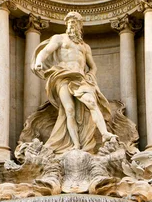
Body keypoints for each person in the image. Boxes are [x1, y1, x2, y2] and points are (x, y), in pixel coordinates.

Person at [32, 11, 117, 154]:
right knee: (69, 110)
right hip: (62, 76)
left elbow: (93, 66)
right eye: (70, 22)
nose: (72, 25)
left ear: (80, 26)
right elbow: (46, 51)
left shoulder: (85, 47)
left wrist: (91, 74)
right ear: (66, 24)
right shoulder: (59, 38)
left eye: (75, 23)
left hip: (80, 78)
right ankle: (76, 145)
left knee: (91, 102)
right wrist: (39, 62)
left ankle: (105, 134)